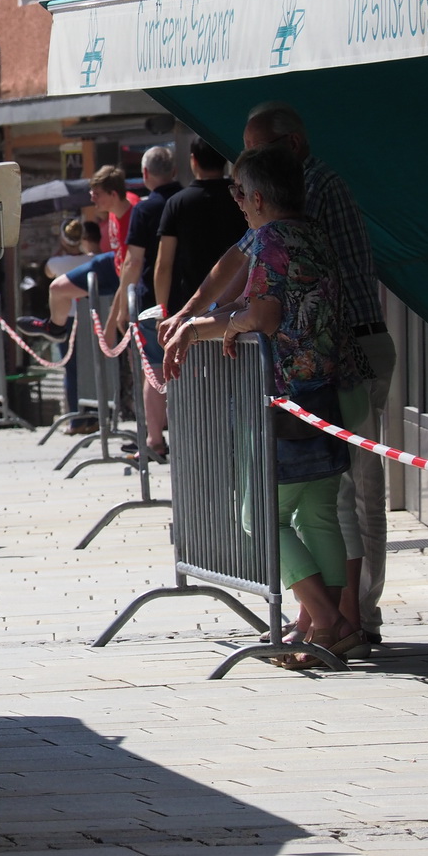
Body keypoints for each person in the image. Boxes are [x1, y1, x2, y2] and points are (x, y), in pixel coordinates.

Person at [161, 105, 393, 648]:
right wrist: (204, 317)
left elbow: (262, 318)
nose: (235, 203)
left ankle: (328, 619)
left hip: (287, 400)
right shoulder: (312, 235)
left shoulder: (268, 242)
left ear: (259, 198)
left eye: (238, 194)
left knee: (257, 518)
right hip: (329, 397)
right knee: (320, 515)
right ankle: (333, 625)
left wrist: (212, 327)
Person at [107, 145, 180, 457]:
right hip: (197, 299)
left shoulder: (145, 209)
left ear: (146, 174)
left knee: (153, 370)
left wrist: (123, 304)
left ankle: (154, 441)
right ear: (175, 171)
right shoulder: (185, 201)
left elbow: (133, 262)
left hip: (154, 304)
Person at [18, 166, 130, 340]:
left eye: (97, 194)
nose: (91, 198)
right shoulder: (113, 215)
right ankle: (54, 328)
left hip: (124, 272)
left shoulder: (131, 211)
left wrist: (116, 316)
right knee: (57, 288)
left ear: (113, 195)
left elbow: (130, 267)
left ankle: (55, 328)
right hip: (115, 269)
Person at [154, 138, 245, 319]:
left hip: (194, 306)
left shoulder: (177, 203)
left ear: (193, 160)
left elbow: (164, 264)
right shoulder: (241, 198)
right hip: (240, 303)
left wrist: (161, 311)